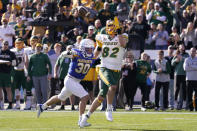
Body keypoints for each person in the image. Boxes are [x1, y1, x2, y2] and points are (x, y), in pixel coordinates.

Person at [37, 39, 96, 127]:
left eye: (91, 49)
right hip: (70, 79)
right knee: (85, 96)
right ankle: (81, 121)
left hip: (76, 81)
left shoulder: (91, 56)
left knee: (60, 97)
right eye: (88, 49)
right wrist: (68, 53)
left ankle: (42, 106)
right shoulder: (76, 53)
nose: (90, 51)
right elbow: (64, 54)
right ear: (83, 49)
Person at [80, 19, 128, 127]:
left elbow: (122, 44)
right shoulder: (102, 37)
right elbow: (98, 51)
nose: (110, 27)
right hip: (104, 68)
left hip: (116, 70)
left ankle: (85, 117)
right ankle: (109, 108)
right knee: (113, 87)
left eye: (112, 25)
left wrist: (119, 32)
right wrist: (90, 58)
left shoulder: (123, 36)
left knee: (101, 97)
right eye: (109, 25)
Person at [10, 38, 28, 109]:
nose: (19, 44)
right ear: (15, 44)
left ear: (23, 43)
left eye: (20, 43)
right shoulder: (12, 50)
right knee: (16, 89)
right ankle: (17, 103)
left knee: (25, 89)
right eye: (17, 43)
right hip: (15, 71)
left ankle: (26, 103)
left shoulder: (26, 50)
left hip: (23, 70)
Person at [0, 41, 16, 109]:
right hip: (0, 73)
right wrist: (6, 62)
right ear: (2, 44)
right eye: (4, 44)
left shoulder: (11, 53)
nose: (5, 45)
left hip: (8, 73)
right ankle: (1, 104)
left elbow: (15, 63)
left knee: (8, 89)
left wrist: (11, 63)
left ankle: (10, 104)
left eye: (7, 44)